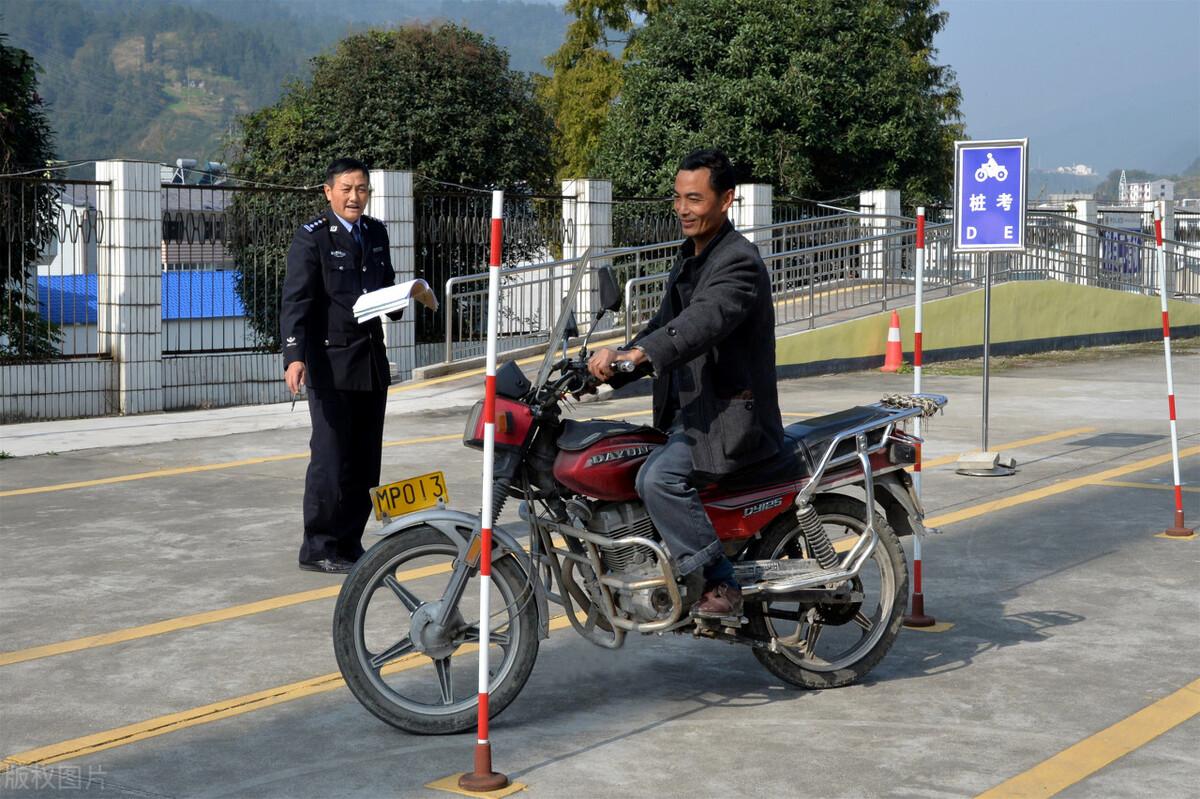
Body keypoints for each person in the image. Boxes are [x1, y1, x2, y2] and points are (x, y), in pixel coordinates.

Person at [588, 149, 786, 618]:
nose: (682, 209)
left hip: (727, 422)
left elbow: (702, 321)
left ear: (726, 200)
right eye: (677, 198)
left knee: (658, 477)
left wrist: (642, 352)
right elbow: (662, 326)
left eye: (694, 199)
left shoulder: (739, 262)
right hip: (688, 416)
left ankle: (720, 580)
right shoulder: (689, 260)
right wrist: (608, 366)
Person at [281, 158, 400, 573]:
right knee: (331, 459)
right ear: (328, 191)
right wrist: (294, 357)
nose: (355, 197)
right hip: (330, 364)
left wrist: (409, 296)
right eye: (347, 189)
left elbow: (385, 288)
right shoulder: (311, 238)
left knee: (366, 461)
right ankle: (317, 547)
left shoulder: (376, 232)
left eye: (362, 189)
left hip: (370, 363)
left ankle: (349, 543)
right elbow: (297, 301)